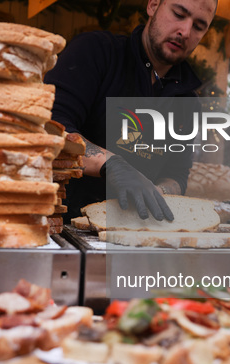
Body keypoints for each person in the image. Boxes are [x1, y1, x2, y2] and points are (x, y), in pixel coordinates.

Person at [44, 0, 218, 221]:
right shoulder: (96, 51)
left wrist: (159, 192)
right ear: (153, 6)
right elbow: (50, 126)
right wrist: (111, 164)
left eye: (199, 26)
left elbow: (176, 175)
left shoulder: (188, 102)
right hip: (60, 222)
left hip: (135, 229)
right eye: (178, 14)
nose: (185, 31)